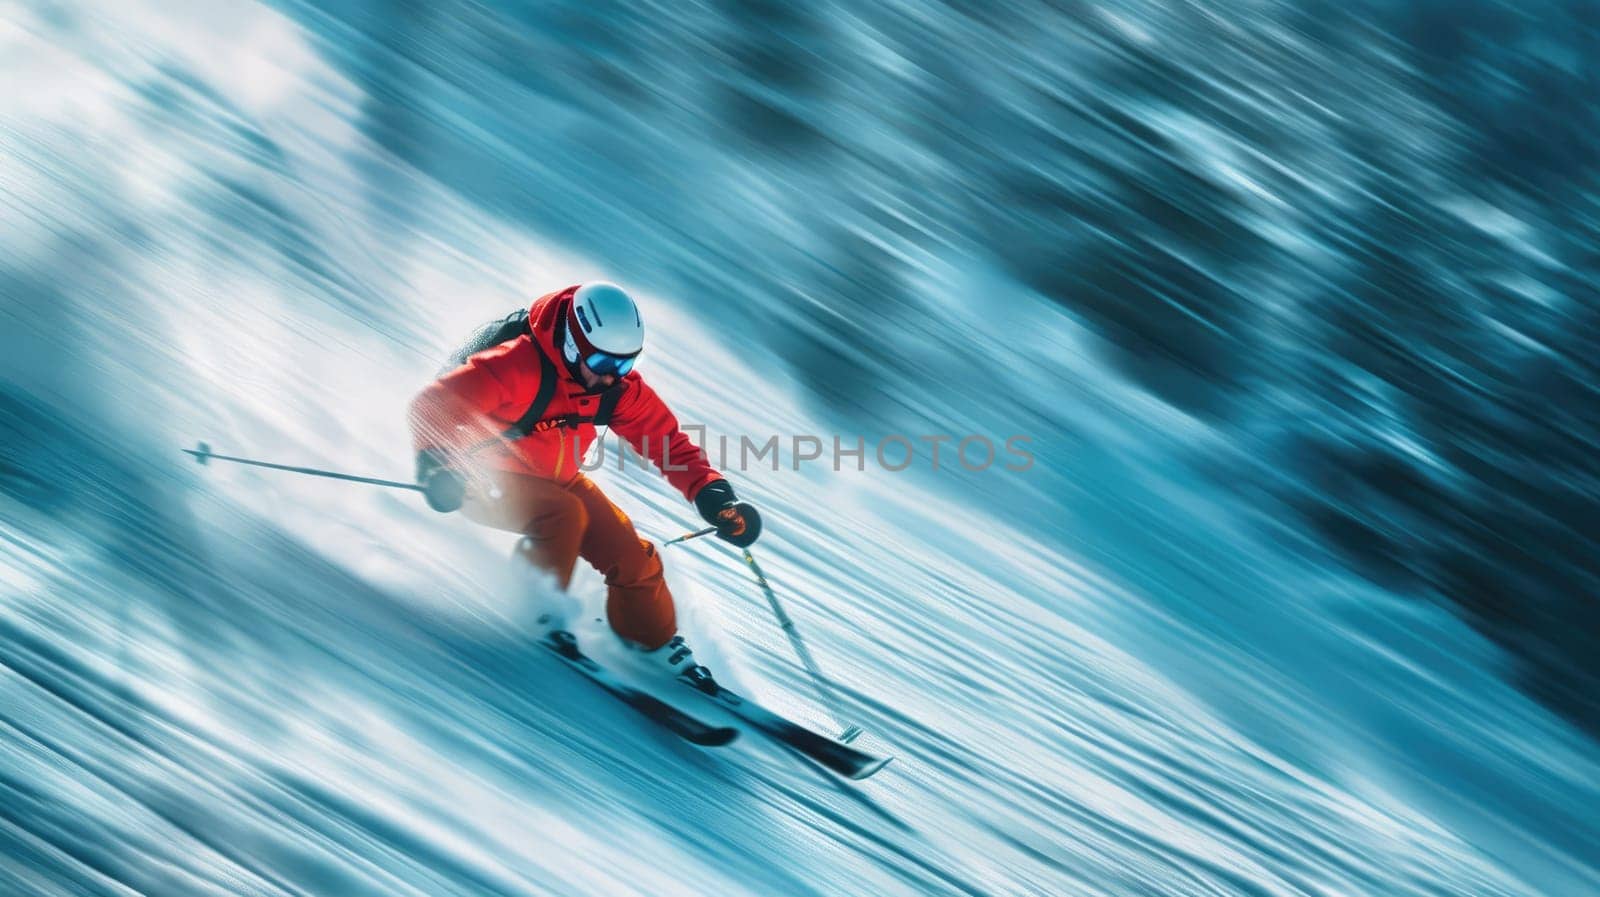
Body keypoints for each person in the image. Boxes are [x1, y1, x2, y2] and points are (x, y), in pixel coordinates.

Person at [407, 282, 761, 670]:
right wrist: (435, 464)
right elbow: (431, 405)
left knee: (634, 558)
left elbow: (668, 443)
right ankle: (537, 611)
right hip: (479, 478)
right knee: (563, 515)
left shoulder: (614, 390)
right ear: (574, 346)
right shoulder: (516, 365)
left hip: (558, 481)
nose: (614, 377)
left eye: (626, 365)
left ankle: (652, 647)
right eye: (604, 366)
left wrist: (713, 495)